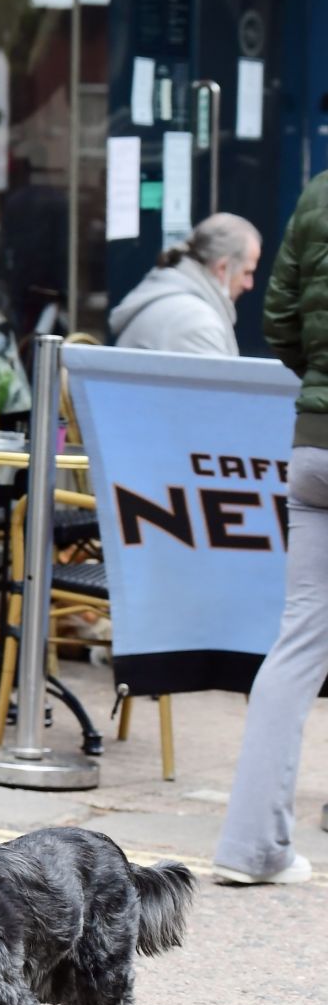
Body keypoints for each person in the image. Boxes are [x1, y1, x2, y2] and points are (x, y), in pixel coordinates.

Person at [211, 173, 328, 885]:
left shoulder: (316, 190)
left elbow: (278, 315)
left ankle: (251, 848)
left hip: (314, 446)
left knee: (297, 644)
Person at [109, 213, 261, 355]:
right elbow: (220, 383)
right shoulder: (196, 322)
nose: (249, 284)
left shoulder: (173, 296)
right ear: (222, 268)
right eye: (246, 273)